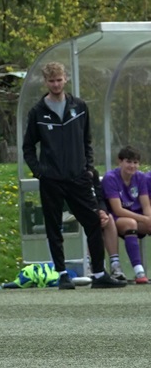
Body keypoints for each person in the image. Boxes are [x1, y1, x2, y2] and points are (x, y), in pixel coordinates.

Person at [21, 61, 126, 290]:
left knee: (93, 222)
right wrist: (40, 172)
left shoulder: (79, 106)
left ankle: (99, 274)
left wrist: (88, 168)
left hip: (79, 177)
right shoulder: (38, 112)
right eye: (51, 81)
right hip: (51, 181)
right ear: (45, 82)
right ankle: (62, 275)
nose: (56, 84)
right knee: (54, 227)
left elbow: (87, 140)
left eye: (59, 80)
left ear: (65, 79)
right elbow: (28, 147)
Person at [101, 145, 151, 283]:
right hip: (115, 219)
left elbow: (146, 205)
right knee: (130, 223)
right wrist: (144, 219)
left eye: (135, 162)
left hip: (137, 217)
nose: (132, 166)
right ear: (120, 161)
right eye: (128, 162)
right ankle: (139, 271)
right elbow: (117, 209)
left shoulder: (140, 177)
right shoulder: (110, 178)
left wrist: (149, 218)